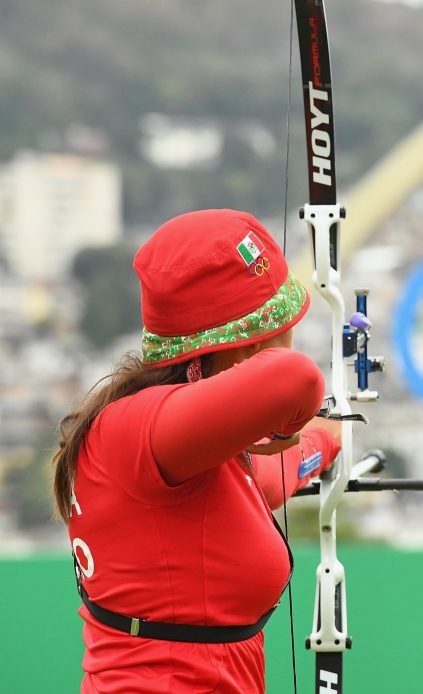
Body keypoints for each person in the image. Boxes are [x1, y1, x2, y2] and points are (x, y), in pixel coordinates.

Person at [52, 209, 340, 692]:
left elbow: (267, 481)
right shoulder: (140, 427)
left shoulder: (185, 440)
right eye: (281, 331)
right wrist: (282, 424)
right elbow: (298, 379)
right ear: (250, 351)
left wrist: (326, 440)